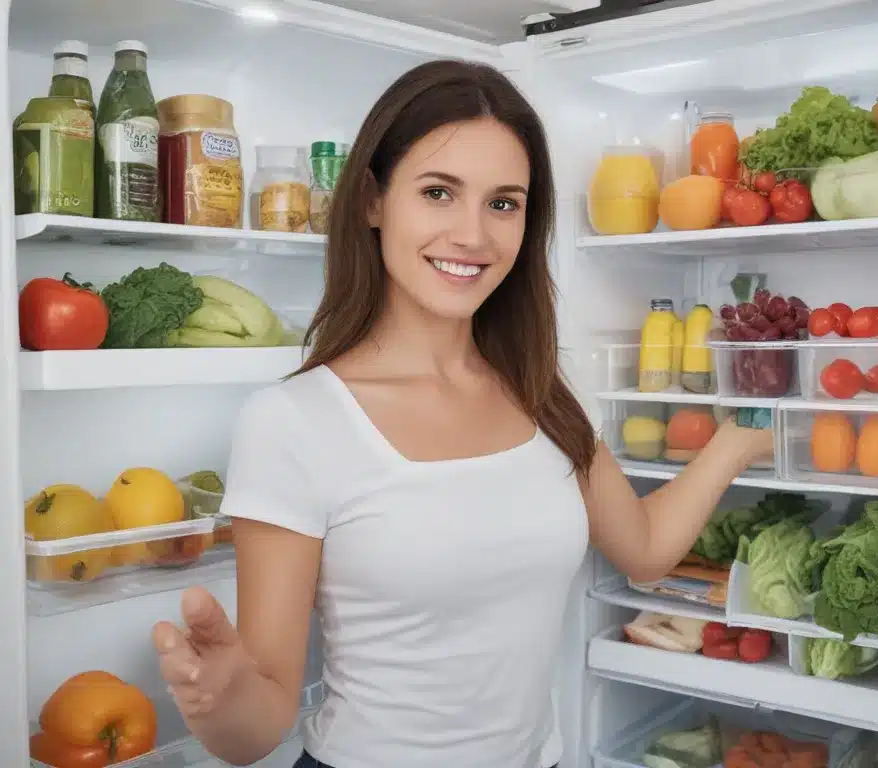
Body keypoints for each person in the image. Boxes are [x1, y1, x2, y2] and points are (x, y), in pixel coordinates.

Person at [152, 59, 773, 768]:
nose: (474, 235)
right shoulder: (292, 420)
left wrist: (736, 441)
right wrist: (224, 697)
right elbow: (258, 727)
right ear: (372, 201)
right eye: (439, 192)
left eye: (503, 203)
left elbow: (644, 547)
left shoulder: (541, 387)